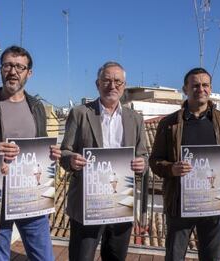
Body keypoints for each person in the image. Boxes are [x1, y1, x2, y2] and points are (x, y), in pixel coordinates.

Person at [0, 45, 61, 261]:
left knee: (43, 256)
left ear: (29, 73)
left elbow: (40, 143)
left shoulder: (37, 107)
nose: (13, 71)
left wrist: (51, 153)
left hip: (31, 194)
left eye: (20, 67)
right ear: (1, 69)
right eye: (8, 65)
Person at [149, 67, 220, 261]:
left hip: (214, 202)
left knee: (211, 257)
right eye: (195, 85)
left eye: (205, 85)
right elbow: (155, 161)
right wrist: (171, 168)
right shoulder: (169, 123)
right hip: (179, 203)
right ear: (185, 89)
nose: (200, 89)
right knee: (175, 256)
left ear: (210, 89)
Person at [60, 61, 148, 261]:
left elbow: (143, 155)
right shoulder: (80, 113)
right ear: (97, 83)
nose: (112, 85)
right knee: (81, 256)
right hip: (86, 201)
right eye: (107, 80)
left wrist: (142, 164)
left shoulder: (135, 119)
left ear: (124, 85)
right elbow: (64, 152)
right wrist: (71, 159)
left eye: (118, 81)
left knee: (116, 256)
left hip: (121, 201)